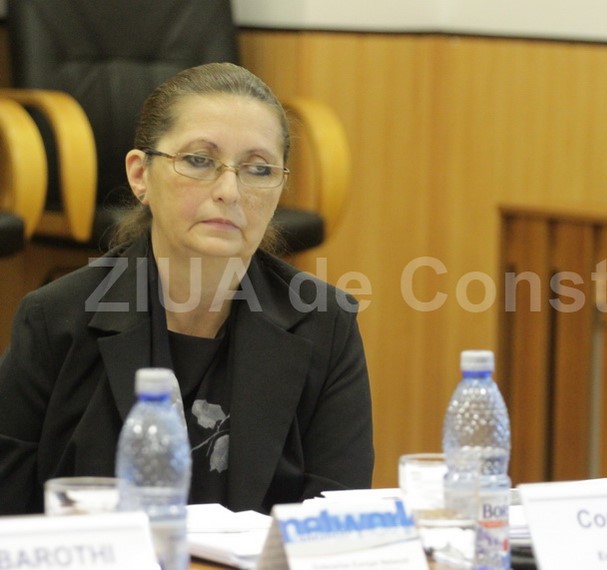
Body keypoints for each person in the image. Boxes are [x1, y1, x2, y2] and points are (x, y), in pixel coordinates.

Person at [0, 62, 374, 514]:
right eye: (199, 160)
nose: (229, 190)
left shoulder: (325, 327)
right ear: (140, 175)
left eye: (258, 169)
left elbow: (338, 526)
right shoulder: (54, 320)